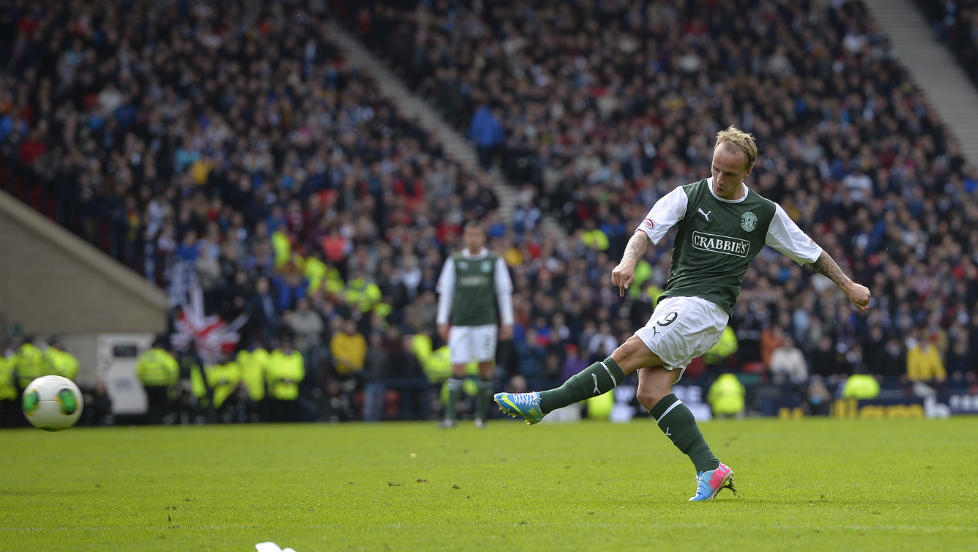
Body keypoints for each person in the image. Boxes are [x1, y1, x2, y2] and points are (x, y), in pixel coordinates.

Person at [495, 127, 871, 501]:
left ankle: (542, 404)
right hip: (675, 302)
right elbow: (645, 230)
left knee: (625, 356)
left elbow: (812, 252)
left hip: (704, 309)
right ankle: (710, 468)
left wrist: (848, 285)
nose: (720, 179)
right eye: (715, 169)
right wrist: (628, 261)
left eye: (730, 173)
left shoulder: (763, 213)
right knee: (650, 391)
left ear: (747, 173)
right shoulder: (687, 196)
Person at [436, 219, 514, 428]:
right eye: (469, 235)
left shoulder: (493, 260)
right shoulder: (454, 261)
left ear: (483, 237)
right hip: (460, 323)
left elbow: (503, 291)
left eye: (476, 235)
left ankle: (481, 417)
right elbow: (446, 292)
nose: (473, 239)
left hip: (485, 322)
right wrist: (442, 320)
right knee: (457, 367)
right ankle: (450, 417)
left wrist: (507, 321)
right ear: (464, 237)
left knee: (485, 366)